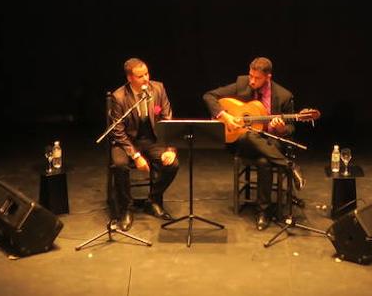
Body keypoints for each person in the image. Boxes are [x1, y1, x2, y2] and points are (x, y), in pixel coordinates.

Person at [203, 57, 305, 230]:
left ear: (268, 77)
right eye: (251, 76)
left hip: (271, 142)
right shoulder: (242, 83)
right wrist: (225, 116)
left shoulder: (284, 96)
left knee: (264, 161)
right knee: (248, 136)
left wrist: (280, 129)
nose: (251, 81)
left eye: (256, 78)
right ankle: (289, 166)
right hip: (242, 141)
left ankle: (263, 212)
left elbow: (291, 128)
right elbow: (209, 96)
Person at [109, 58, 179, 231]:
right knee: (120, 165)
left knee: (173, 164)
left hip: (152, 139)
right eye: (140, 76)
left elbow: (167, 118)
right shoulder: (119, 97)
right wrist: (136, 155)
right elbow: (117, 131)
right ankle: (126, 208)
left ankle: (153, 200)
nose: (146, 79)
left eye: (147, 73)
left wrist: (170, 149)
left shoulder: (159, 88)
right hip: (126, 141)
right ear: (130, 78)